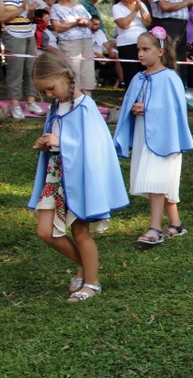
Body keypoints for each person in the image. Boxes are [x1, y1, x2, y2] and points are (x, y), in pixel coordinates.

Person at [29, 51, 129, 301]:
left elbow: (96, 146)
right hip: (56, 176)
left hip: (80, 178)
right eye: (45, 92)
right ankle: (85, 266)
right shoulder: (56, 107)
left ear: (65, 76)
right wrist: (47, 143)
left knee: (80, 232)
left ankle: (92, 283)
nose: (49, 95)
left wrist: (61, 142)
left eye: (51, 88)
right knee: (45, 231)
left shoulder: (86, 106)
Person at [114, 28, 193, 244]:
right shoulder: (138, 78)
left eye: (145, 49)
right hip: (144, 136)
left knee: (157, 181)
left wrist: (148, 108)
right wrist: (134, 108)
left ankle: (154, 228)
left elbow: (175, 110)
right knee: (159, 181)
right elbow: (128, 106)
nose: (140, 54)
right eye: (138, 49)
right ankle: (176, 225)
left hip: (164, 138)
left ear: (160, 51)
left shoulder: (169, 78)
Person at [0, 0, 45, 119]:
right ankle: (15, 104)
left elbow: (28, 14)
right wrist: (22, 9)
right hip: (13, 33)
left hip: (27, 31)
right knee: (15, 70)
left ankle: (31, 101)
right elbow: (2, 16)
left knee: (31, 69)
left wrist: (30, 10)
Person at [50, 0, 96, 95]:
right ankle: (75, 98)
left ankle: (88, 100)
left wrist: (86, 23)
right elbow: (57, 27)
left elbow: (91, 24)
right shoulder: (56, 8)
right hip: (70, 43)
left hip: (86, 41)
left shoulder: (80, 7)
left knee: (88, 70)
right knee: (73, 70)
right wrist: (75, 23)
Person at [113, 0, 152, 88]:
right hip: (127, 44)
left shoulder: (141, 5)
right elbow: (123, 24)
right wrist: (134, 11)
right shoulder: (117, 7)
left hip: (143, 42)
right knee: (131, 74)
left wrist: (141, 9)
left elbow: (148, 22)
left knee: (145, 71)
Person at [90, 16, 123, 87]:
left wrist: (110, 51)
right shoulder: (86, 33)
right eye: (95, 24)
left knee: (116, 54)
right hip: (91, 55)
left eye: (99, 24)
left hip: (101, 56)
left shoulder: (100, 32)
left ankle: (121, 81)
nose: (97, 26)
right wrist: (97, 55)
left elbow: (107, 45)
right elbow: (86, 48)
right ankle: (93, 80)